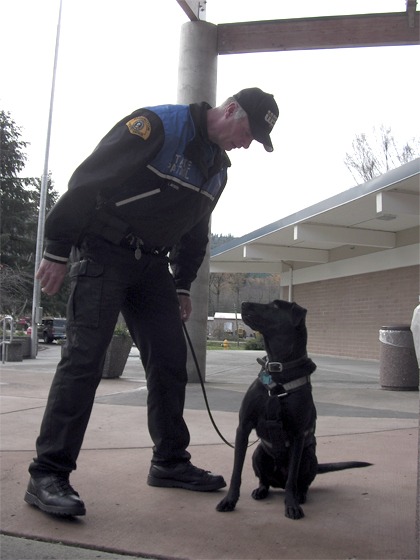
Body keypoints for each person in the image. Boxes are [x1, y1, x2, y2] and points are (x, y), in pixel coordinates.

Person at [24, 87, 279, 517]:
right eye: (249, 131)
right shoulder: (159, 126)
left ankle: (169, 461)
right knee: (84, 361)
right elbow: (90, 177)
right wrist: (58, 245)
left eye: (256, 139)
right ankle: (47, 474)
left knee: (168, 359)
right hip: (105, 250)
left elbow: (195, 229)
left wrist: (182, 283)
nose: (248, 142)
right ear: (231, 109)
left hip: (151, 265)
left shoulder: (218, 172)